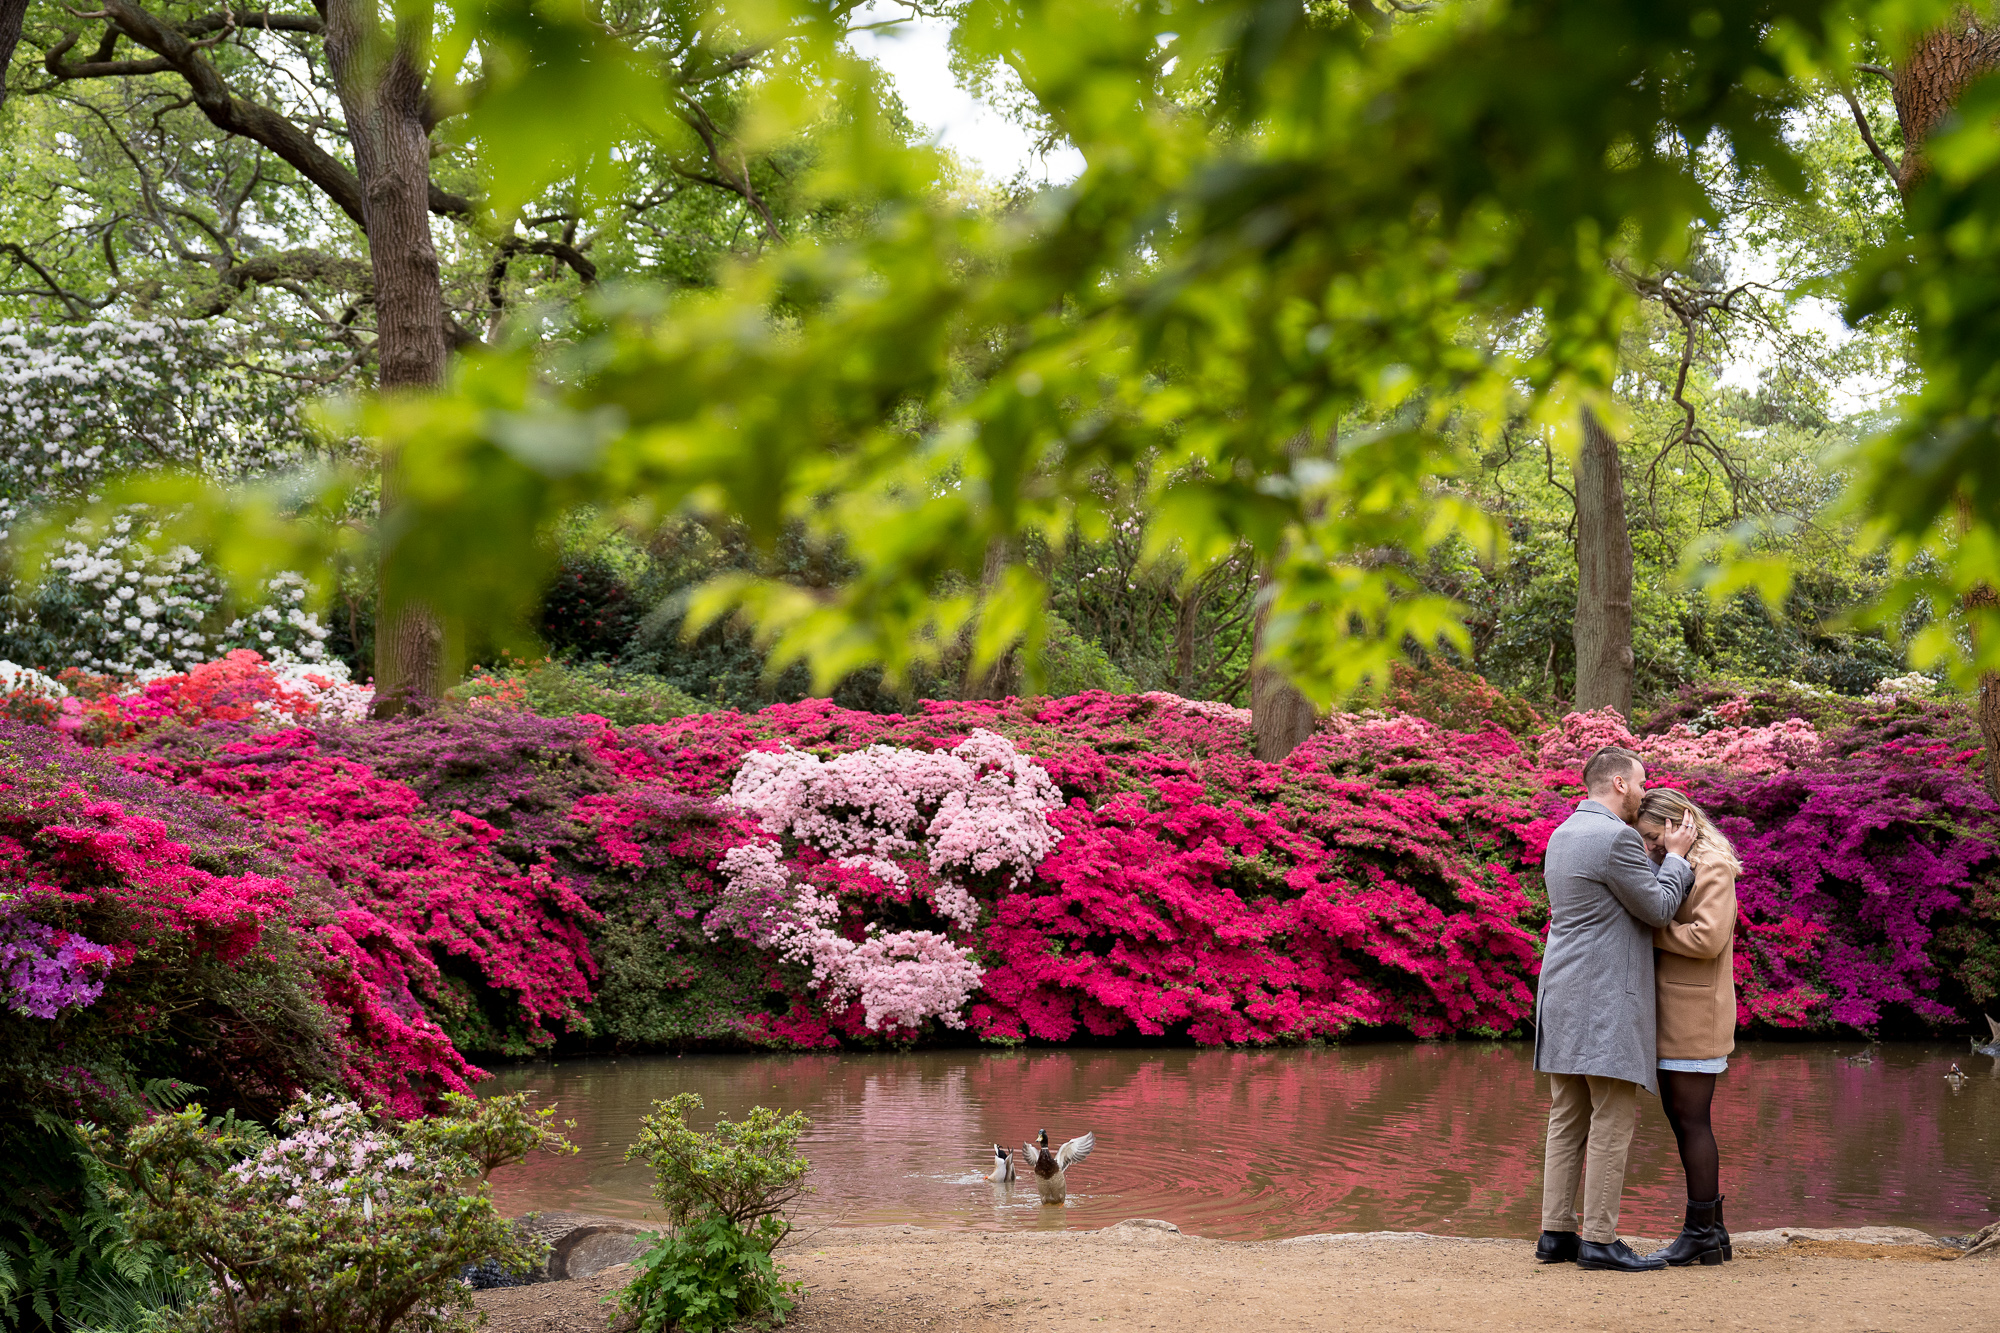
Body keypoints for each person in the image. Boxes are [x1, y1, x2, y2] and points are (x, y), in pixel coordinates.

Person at [1534, 745, 1697, 1273]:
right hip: (1605, 998)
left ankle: (1555, 1234)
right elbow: (1656, 908)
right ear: (1621, 784)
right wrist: (1675, 858)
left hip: (1559, 991)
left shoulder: (1561, 834)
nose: (1647, 792)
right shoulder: (1616, 838)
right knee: (1612, 1117)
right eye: (1643, 782)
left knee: (1567, 1118)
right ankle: (1600, 1240)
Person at [1634, 788, 1739, 1267]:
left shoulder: (1713, 866)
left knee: (1693, 1123)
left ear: (1682, 824)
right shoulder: (1673, 863)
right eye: (1647, 840)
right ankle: (1713, 1233)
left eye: (1656, 837)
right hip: (1672, 1014)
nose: (1652, 847)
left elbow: (1707, 938)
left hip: (1697, 1014)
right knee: (1683, 1123)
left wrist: (1643, 928)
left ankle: (1699, 1232)